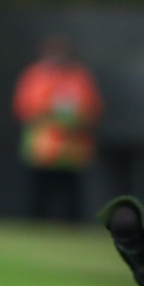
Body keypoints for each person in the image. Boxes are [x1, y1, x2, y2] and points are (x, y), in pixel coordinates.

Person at [11, 34, 102, 222]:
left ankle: (71, 231)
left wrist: (74, 119)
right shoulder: (35, 76)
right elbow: (25, 107)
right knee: (38, 195)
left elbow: (92, 108)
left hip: (72, 151)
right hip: (42, 149)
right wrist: (49, 113)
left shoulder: (79, 77)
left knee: (70, 197)